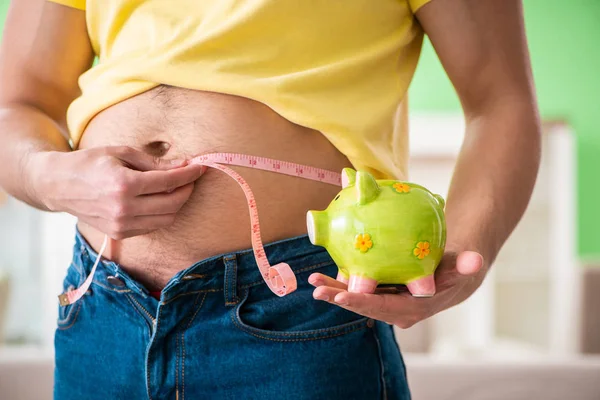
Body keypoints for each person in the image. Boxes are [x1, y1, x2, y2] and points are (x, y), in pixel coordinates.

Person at [0, 0, 541, 398]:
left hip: (303, 302)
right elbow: (19, 103)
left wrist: (467, 252)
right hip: (103, 303)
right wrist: (47, 176)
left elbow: (500, 104)